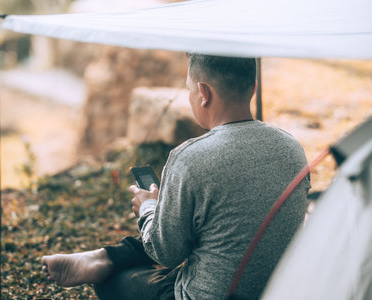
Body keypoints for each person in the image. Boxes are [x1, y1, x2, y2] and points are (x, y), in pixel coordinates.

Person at [41, 54, 310, 300]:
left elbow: (167, 253)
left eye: (189, 88)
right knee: (194, 222)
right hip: (280, 290)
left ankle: (106, 263)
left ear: (203, 93)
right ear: (253, 87)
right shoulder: (292, 148)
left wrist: (147, 207)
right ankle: (104, 256)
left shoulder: (190, 156)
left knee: (114, 281)